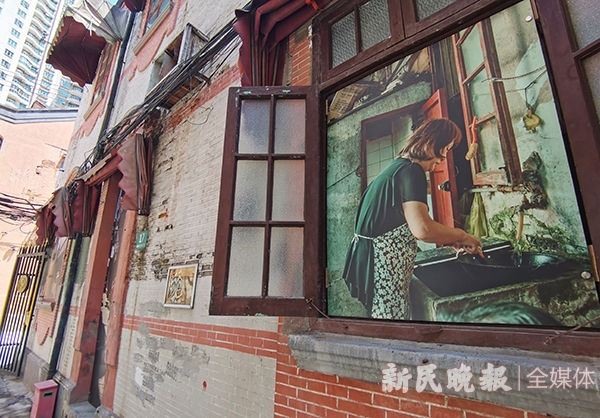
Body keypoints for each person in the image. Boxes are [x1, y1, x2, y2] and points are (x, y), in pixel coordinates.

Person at [343, 118, 482, 320]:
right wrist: (462, 236)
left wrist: (450, 238)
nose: (444, 157)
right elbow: (423, 229)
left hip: (371, 264)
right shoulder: (412, 170)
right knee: (393, 327)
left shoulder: (397, 167)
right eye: (446, 148)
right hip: (383, 268)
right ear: (431, 143)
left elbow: (407, 223)